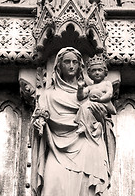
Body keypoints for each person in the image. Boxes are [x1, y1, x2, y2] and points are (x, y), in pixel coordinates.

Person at [31, 47, 116, 196]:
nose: (71, 66)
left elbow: (104, 117)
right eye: (67, 62)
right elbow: (39, 116)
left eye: (75, 62)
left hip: (87, 146)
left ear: (80, 67)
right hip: (57, 148)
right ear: (59, 65)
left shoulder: (89, 92)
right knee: (51, 188)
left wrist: (100, 125)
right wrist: (39, 122)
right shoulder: (48, 95)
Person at [75, 54, 116, 138]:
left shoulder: (106, 84)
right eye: (93, 71)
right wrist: (80, 87)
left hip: (102, 107)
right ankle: (89, 126)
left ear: (105, 72)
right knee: (83, 107)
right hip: (91, 107)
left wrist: (100, 99)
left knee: (88, 105)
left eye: (99, 70)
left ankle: (96, 127)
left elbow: (109, 94)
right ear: (89, 74)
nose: (97, 73)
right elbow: (80, 96)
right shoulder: (90, 87)